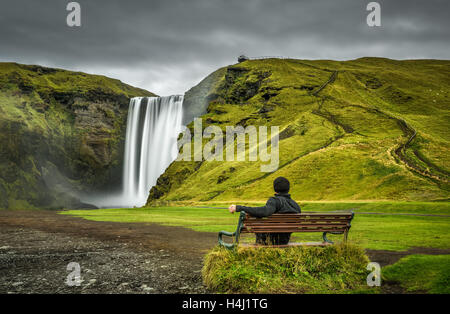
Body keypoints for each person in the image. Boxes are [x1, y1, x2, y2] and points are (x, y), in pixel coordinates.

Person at [228, 177, 301, 245]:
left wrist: (239, 208)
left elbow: (265, 211)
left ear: (275, 188)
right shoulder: (295, 205)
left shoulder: (275, 201)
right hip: (284, 241)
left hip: (268, 240)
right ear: (288, 188)